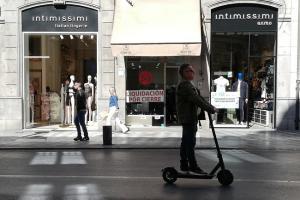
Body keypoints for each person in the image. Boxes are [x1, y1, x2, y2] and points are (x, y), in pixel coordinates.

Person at [176, 63, 216, 174]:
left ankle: (184, 165)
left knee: (185, 142)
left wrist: (211, 107)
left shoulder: (190, 84)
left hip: (190, 117)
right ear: (183, 73)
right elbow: (196, 99)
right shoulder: (185, 85)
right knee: (190, 142)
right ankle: (193, 166)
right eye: (188, 71)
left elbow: (200, 98)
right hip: (188, 118)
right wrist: (211, 109)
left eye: (192, 71)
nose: (192, 73)